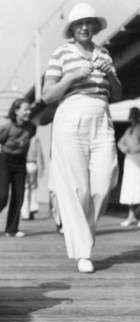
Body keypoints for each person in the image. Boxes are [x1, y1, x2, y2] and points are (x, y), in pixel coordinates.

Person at [41, 3, 122, 273]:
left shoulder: (104, 54)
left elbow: (117, 94)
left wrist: (109, 73)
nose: (85, 27)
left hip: (102, 115)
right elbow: (47, 94)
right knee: (79, 189)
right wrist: (73, 77)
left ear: (95, 27)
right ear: (72, 29)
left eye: (89, 23)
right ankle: (83, 252)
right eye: (79, 24)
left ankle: (82, 239)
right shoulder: (61, 54)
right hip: (72, 115)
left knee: (103, 181)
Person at [0, 98, 36, 238]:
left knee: (19, 196)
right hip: (5, 161)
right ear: (16, 111)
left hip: (20, 162)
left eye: (29, 109)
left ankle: (11, 229)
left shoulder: (31, 127)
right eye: (25, 109)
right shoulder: (7, 127)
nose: (28, 112)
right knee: (2, 196)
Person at [117, 107, 140, 227]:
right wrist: (125, 149)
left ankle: (138, 216)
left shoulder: (139, 129)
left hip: (138, 162)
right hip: (129, 161)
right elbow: (120, 143)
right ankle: (131, 216)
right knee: (130, 190)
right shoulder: (129, 130)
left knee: (138, 190)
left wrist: (133, 149)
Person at [21, 134, 45, 220]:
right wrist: (41, 167)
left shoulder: (21, 135)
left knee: (25, 189)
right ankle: (33, 206)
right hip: (33, 164)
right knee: (33, 188)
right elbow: (39, 153)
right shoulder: (35, 137)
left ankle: (25, 213)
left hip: (23, 164)